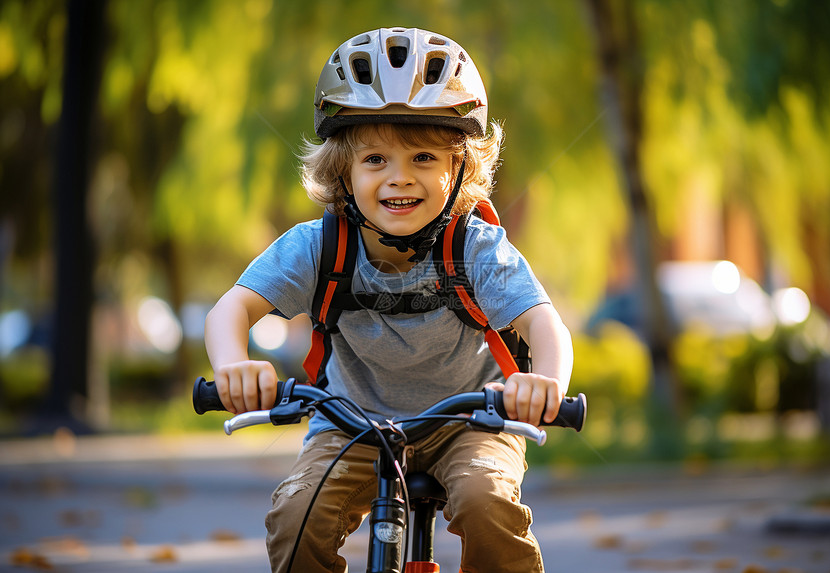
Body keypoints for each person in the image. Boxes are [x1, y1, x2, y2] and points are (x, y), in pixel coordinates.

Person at [204, 27, 574, 573]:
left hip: (471, 426)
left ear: (459, 169)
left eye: (423, 157)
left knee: (486, 503)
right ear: (342, 173)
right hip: (349, 425)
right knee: (296, 517)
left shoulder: (474, 248)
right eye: (375, 159)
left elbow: (547, 328)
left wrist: (544, 384)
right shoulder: (318, 247)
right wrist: (234, 367)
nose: (399, 178)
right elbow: (228, 311)